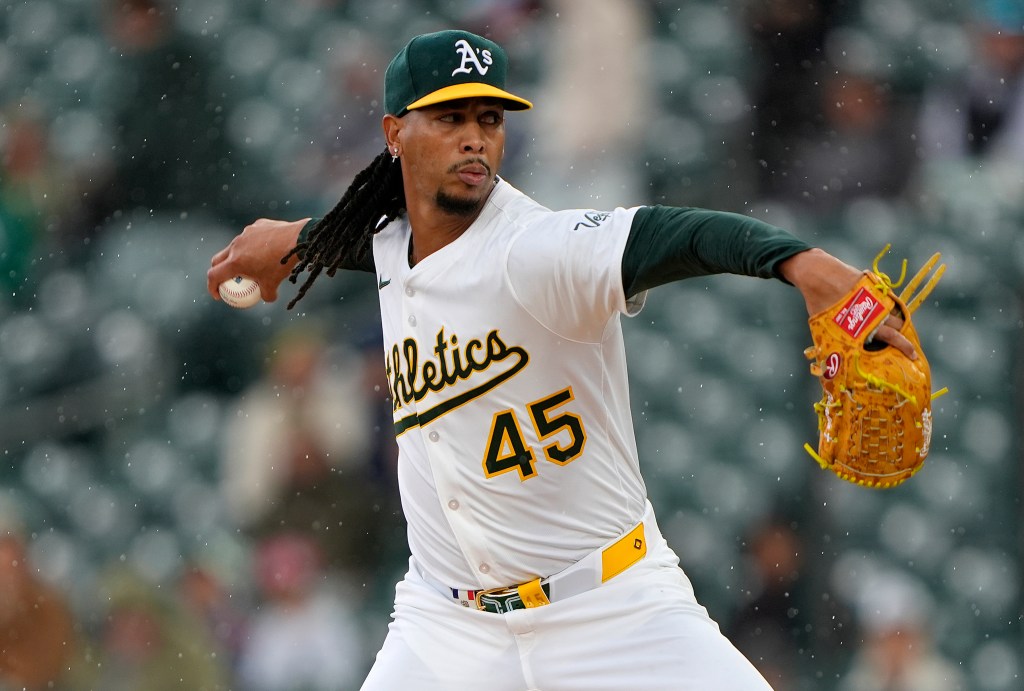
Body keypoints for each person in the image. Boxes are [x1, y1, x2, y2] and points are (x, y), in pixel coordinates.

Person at [208, 29, 918, 690]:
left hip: (612, 607)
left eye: (489, 120)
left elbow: (676, 234)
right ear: (395, 132)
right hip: (447, 623)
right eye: (449, 118)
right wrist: (291, 242)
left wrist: (805, 264)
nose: (473, 140)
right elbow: (380, 243)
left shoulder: (538, 250)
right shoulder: (390, 241)